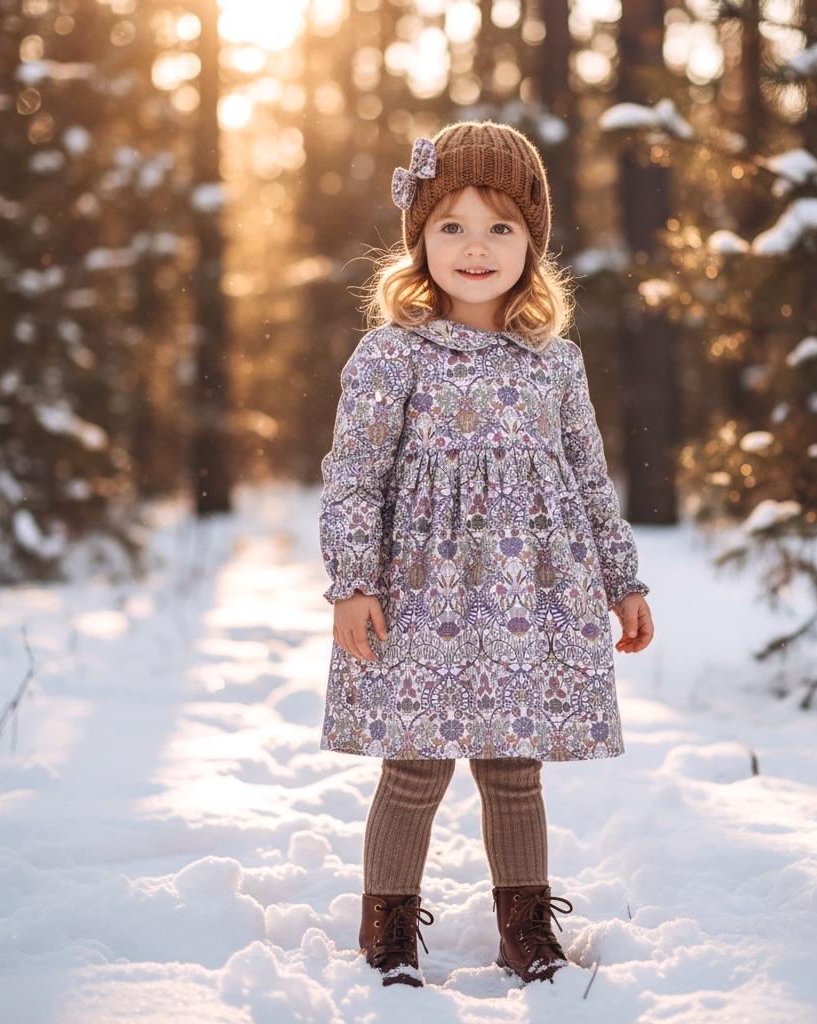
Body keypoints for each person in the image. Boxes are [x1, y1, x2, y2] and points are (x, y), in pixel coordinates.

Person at [317, 120, 654, 989]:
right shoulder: (394, 355)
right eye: (452, 226)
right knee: (416, 765)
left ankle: (525, 929)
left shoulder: (556, 363)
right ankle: (387, 932)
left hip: (527, 602)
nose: (476, 248)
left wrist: (622, 581)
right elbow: (353, 476)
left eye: (501, 226)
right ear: (420, 240)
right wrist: (352, 583)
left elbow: (587, 481)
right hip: (420, 596)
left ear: (532, 243)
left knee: (514, 766)